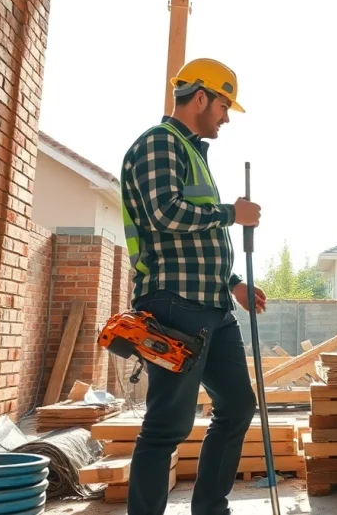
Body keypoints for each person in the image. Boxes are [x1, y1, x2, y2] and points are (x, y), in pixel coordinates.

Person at [120, 58, 266, 515]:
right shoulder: (158, 144)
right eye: (224, 105)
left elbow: (200, 243)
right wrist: (231, 214)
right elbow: (164, 214)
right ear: (199, 97)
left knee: (238, 407)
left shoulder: (191, 153)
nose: (226, 116)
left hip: (214, 306)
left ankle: (209, 508)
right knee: (167, 424)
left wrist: (235, 283)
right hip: (174, 305)